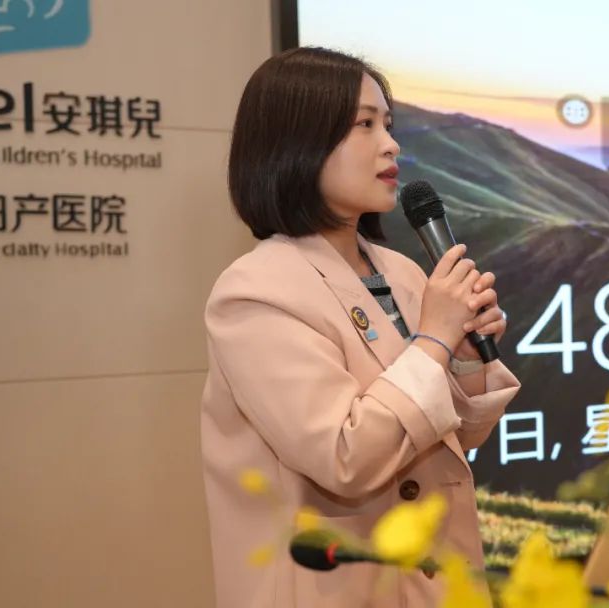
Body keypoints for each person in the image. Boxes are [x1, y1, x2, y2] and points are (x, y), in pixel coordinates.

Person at [199, 46, 520, 607]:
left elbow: (444, 439)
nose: (390, 144)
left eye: (388, 125)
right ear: (297, 142)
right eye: (364, 125)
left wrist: (464, 359)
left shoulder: (401, 271)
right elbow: (346, 457)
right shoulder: (254, 292)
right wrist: (434, 340)